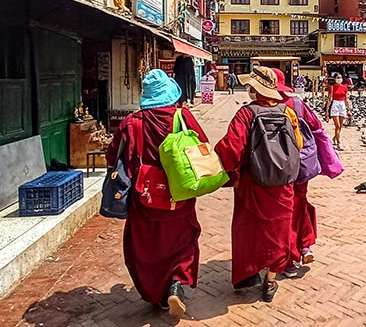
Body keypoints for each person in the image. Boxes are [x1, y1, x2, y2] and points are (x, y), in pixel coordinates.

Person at [105, 69, 210, 316]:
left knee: (143, 246)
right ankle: (176, 283)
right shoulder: (182, 117)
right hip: (178, 194)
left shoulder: (132, 123)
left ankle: (155, 293)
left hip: (144, 197)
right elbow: (201, 144)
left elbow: (113, 155)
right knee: (183, 239)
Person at [214, 66, 304, 303]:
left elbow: (231, 147)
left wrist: (223, 170)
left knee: (249, 229)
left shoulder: (246, 114)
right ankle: (271, 279)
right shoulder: (288, 112)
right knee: (278, 231)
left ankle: (248, 273)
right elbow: (299, 144)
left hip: (252, 182)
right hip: (282, 184)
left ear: (255, 89)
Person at [271, 68, 320, 278]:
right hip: (300, 165)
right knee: (300, 203)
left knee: (284, 212)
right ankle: (305, 244)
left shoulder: (262, 106)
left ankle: (289, 259)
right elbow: (316, 126)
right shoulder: (298, 103)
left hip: (275, 167)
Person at [325, 72, 351, 150]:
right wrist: (326, 111)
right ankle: (339, 142)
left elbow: (346, 99)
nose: (339, 79)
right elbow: (329, 99)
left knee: (340, 126)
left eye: (340, 77)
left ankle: (335, 137)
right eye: (338, 78)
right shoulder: (332, 87)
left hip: (342, 104)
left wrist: (349, 109)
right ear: (335, 79)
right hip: (335, 104)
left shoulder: (344, 87)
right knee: (337, 125)